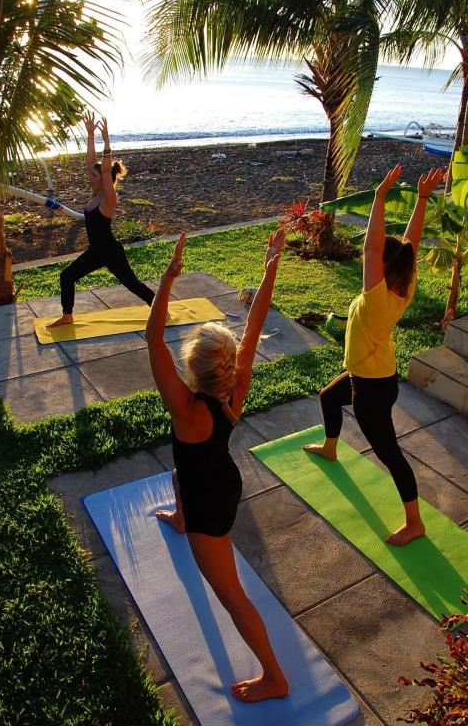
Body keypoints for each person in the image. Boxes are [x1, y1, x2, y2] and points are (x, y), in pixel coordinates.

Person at [145, 230, 289, 704]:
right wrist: (269, 268)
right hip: (221, 479)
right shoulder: (233, 390)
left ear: (193, 367)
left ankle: (274, 677)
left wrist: (168, 278)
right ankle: (181, 516)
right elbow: (255, 324)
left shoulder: (187, 410)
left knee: (231, 595)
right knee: (177, 474)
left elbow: (152, 338)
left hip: (211, 506)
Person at [304, 164, 444, 547]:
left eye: (379, 256)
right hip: (375, 375)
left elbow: (371, 247)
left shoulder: (377, 298)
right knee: (328, 397)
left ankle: (414, 522)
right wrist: (422, 198)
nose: (373, 256)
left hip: (371, 390)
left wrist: (380, 197)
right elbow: (411, 242)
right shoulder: (403, 288)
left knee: (390, 454)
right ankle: (330, 447)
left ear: (384, 266)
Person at [47, 113, 155, 327]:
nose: (90, 177)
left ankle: (160, 308)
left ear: (105, 180)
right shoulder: (96, 194)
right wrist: (90, 135)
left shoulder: (108, 198)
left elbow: (104, 170)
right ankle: (67, 316)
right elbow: (92, 164)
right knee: (67, 276)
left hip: (110, 251)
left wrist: (106, 141)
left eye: (94, 177)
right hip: (96, 251)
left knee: (132, 284)